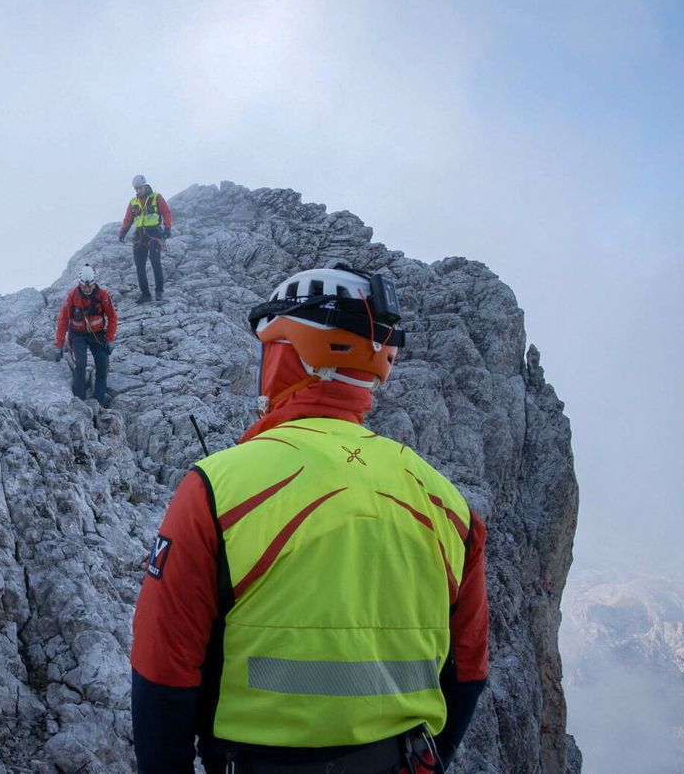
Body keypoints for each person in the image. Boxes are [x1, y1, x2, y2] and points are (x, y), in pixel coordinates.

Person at [130, 266, 489, 773]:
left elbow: (162, 672)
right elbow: (469, 672)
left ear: (283, 350)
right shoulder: (447, 502)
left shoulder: (218, 486)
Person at [54, 264, 118, 405]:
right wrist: (58, 345)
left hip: (97, 334)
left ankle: (99, 400)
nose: (87, 289)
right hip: (78, 336)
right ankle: (79, 399)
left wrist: (110, 338)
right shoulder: (72, 297)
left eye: (89, 286)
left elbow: (112, 316)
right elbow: (63, 321)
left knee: (102, 361)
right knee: (81, 362)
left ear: (94, 283)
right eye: (84, 286)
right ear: (80, 283)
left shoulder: (102, 295)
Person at [118, 174, 173, 302]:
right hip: (139, 236)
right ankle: (146, 295)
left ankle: (159, 292)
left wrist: (167, 227)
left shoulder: (156, 197)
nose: (138, 191)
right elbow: (128, 219)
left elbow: (166, 212)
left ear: (144, 185)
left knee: (155, 262)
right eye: (136, 189)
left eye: (139, 188)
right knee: (139, 266)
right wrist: (123, 232)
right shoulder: (133, 202)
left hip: (154, 234)